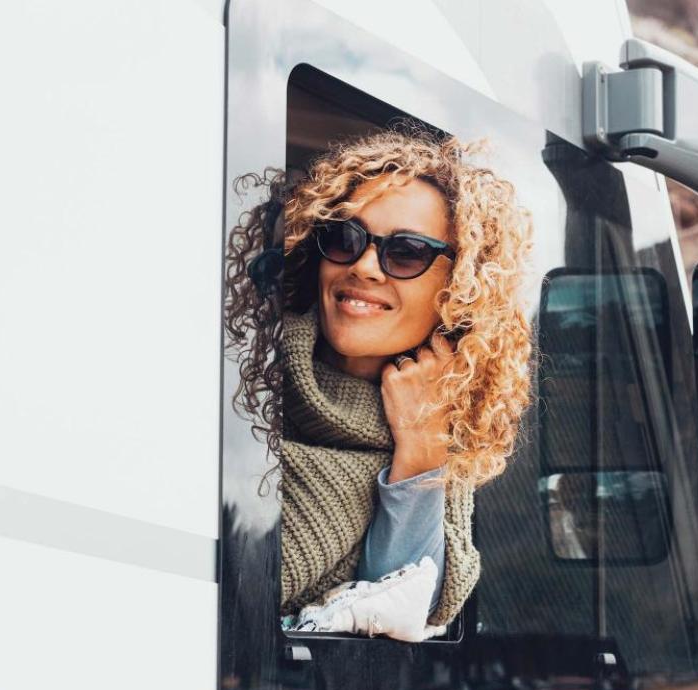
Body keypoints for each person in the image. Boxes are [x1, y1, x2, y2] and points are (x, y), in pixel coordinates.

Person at [223, 124, 535, 641]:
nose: (365, 266)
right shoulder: (241, 376)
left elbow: (396, 606)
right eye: (344, 239)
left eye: (406, 252)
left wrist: (420, 447)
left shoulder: (442, 439)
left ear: (459, 288)